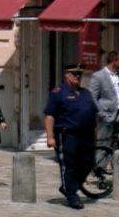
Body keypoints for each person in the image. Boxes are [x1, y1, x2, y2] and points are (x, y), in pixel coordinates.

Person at [43, 67, 100, 209]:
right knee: (68, 165)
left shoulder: (85, 93)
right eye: (74, 74)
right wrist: (50, 137)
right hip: (67, 134)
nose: (77, 77)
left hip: (86, 135)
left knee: (88, 162)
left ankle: (69, 186)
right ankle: (72, 196)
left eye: (79, 74)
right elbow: (49, 115)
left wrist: (95, 133)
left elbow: (93, 114)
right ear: (67, 75)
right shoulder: (58, 93)